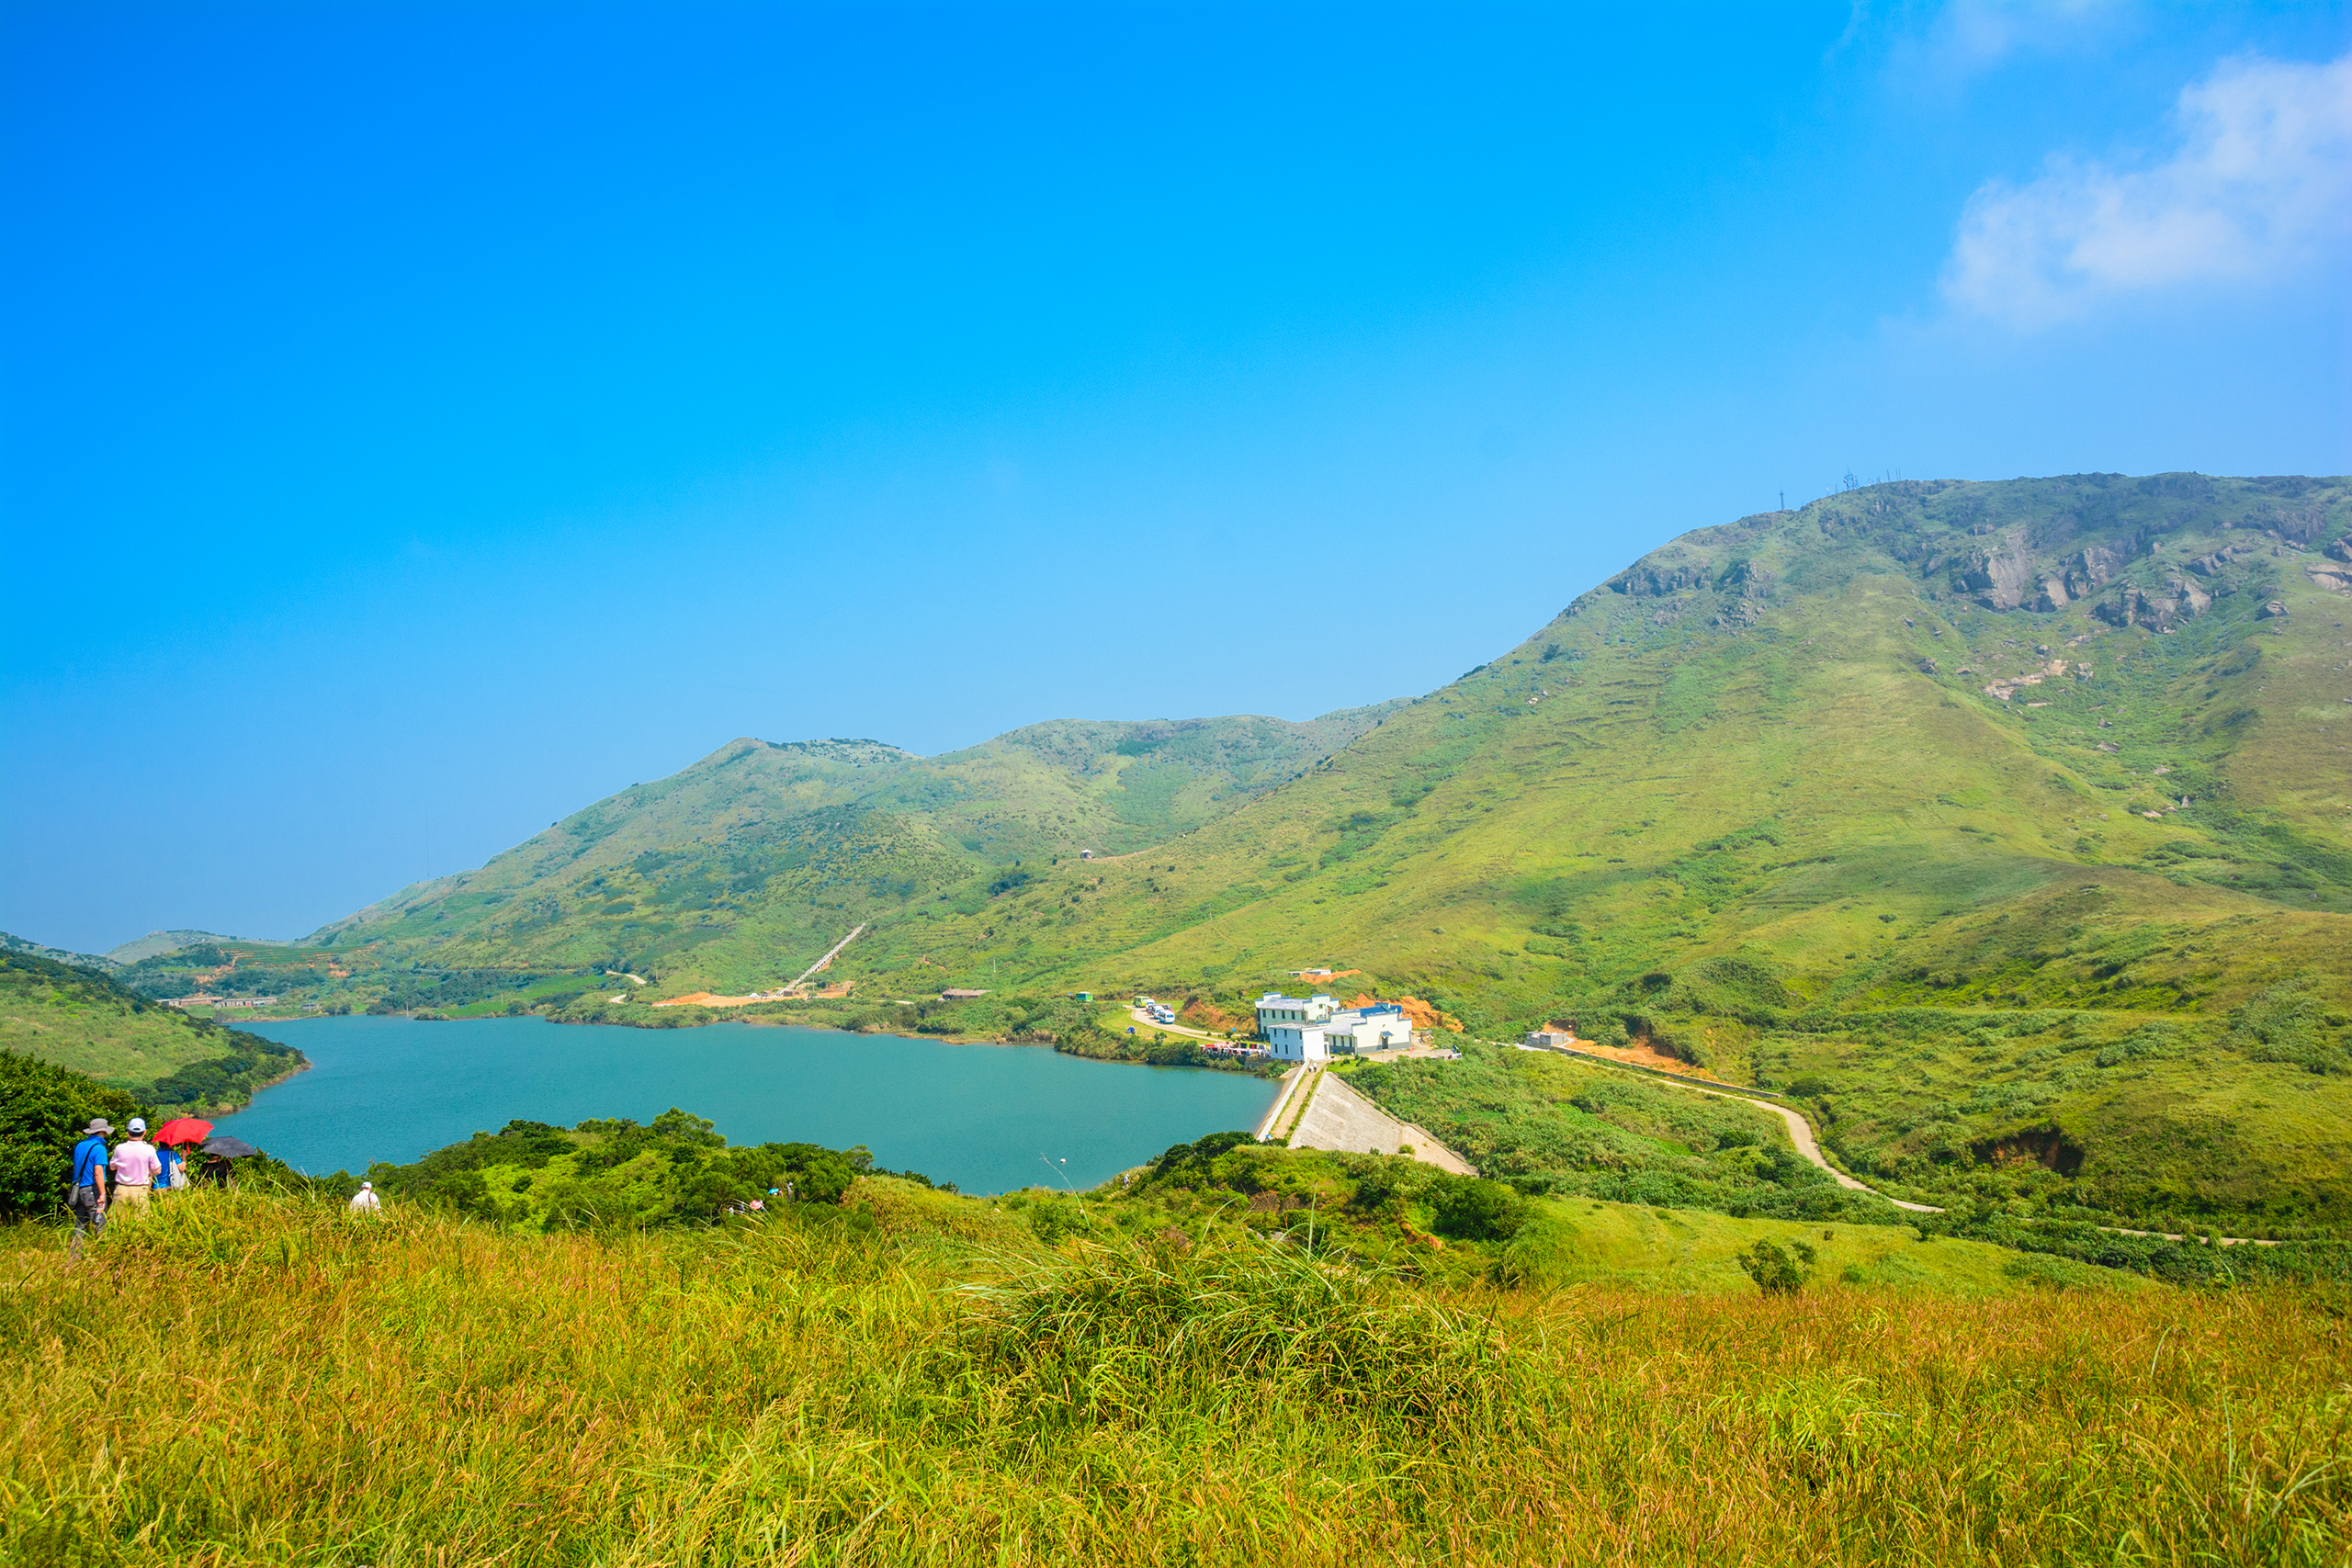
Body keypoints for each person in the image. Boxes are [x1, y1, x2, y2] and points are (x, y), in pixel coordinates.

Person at [68, 1118, 111, 1259]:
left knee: (80, 1225)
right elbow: (98, 1172)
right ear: (103, 1131)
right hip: (92, 1190)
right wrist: (103, 1194)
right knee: (100, 1224)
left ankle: (74, 1258)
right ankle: (103, 1258)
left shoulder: (80, 1145)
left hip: (79, 1190)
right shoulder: (99, 1148)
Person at [108, 1118, 163, 1214]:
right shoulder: (149, 1149)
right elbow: (157, 1170)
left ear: (128, 1132)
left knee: (119, 1222)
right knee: (141, 1224)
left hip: (122, 1189)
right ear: (144, 1132)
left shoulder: (120, 1148)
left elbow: (112, 1167)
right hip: (140, 1190)